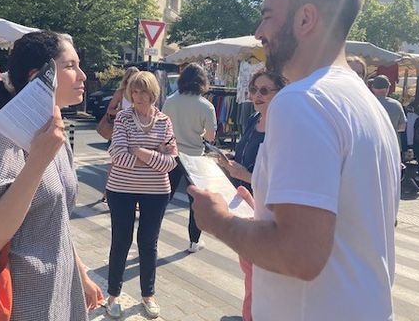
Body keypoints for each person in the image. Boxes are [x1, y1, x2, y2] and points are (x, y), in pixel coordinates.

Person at [188, 0, 401, 320]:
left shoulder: (301, 100)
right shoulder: (367, 103)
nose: (259, 32)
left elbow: (298, 254)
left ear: (306, 19)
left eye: (268, 16)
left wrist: (219, 220)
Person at [0, 31, 103, 321]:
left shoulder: (54, 132)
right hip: (20, 298)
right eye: (70, 66)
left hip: (58, 287)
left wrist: (81, 274)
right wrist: (38, 161)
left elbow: (56, 221)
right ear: (38, 79)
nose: (83, 75)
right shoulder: (1, 136)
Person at [104, 71, 178, 319]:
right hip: (121, 190)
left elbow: (171, 164)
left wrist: (139, 151)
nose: (138, 96)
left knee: (148, 243)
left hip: (156, 192)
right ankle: (113, 294)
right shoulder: (124, 118)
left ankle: (148, 294)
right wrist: (155, 153)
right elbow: (117, 155)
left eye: (143, 91)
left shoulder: (164, 121)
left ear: (153, 93)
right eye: (134, 91)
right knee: (121, 241)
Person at [218, 69, 285, 321]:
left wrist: (245, 174)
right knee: (249, 272)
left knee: (262, 278)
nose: (257, 95)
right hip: (245, 203)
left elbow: (277, 175)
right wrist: (230, 162)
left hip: (268, 210)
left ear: (281, 93)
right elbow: (246, 157)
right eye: (254, 90)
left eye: (265, 90)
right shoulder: (253, 119)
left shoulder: (283, 128)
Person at [162, 63, 217, 253]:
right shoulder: (206, 106)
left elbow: (163, 129)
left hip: (172, 154)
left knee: (164, 196)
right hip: (194, 157)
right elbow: (210, 137)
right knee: (195, 201)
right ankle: (194, 241)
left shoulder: (170, 101)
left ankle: (150, 231)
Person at [100, 66, 140, 203]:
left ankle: (133, 195)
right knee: (116, 161)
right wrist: (123, 112)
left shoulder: (140, 92)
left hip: (137, 130)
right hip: (121, 130)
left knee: (135, 162)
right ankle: (107, 191)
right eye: (132, 78)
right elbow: (110, 110)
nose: (134, 81)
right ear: (127, 78)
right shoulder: (121, 92)